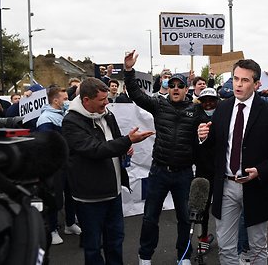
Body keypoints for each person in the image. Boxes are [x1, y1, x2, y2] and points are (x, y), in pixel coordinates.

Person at [197, 59, 268, 265]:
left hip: (255, 187)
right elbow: (213, 144)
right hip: (226, 186)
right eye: (236, 78)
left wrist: (260, 170)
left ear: (257, 85)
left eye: (245, 80)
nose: (238, 84)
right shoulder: (222, 108)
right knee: (226, 246)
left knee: (257, 247)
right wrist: (203, 136)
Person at [124, 51, 205, 265]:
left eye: (180, 86)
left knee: (184, 218)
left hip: (184, 174)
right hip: (159, 171)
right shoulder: (159, 105)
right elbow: (136, 94)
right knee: (150, 217)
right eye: (172, 86)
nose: (176, 89)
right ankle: (145, 256)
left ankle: (184, 256)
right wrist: (129, 71)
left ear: (186, 89)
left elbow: (215, 117)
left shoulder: (195, 110)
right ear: (168, 88)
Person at [62, 77, 154, 265]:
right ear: (86, 100)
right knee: (93, 246)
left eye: (107, 98)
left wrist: (124, 148)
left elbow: (115, 139)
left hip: (113, 193)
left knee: (115, 241)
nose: (107, 102)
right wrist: (127, 141)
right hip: (90, 198)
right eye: (102, 99)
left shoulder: (107, 114)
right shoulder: (71, 122)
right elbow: (95, 150)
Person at [36, 85, 81, 245]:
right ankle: (52, 229)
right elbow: (45, 144)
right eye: (65, 99)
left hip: (67, 162)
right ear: (55, 101)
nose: (67, 101)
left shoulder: (64, 115)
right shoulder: (46, 118)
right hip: (54, 165)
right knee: (54, 197)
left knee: (71, 194)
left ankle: (69, 224)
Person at [194, 88, 220, 255]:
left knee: (225, 208)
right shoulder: (194, 118)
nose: (208, 103)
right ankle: (202, 239)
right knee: (201, 208)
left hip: (221, 171)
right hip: (203, 171)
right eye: (205, 101)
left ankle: (227, 238)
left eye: (211, 100)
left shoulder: (225, 116)